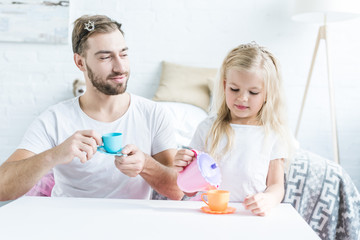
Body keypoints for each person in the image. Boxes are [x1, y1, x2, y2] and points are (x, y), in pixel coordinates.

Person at [0, 14, 183, 201]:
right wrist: (55, 155)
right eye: (105, 57)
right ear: (80, 62)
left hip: (130, 225)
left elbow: (178, 191)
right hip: (68, 224)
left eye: (124, 54)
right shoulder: (54, 119)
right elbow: (2, 187)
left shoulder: (154, 114)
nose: (120, 67)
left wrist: (146, 165)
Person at [174, 42, 297, 216]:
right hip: (208, 215)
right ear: (225, 86)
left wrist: (268, 199)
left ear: (268, 94)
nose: (242, 98)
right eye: (234, 89)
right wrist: (182, 167)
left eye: (253, 92)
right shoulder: (207, 128)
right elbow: (189, 191)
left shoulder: (273, 134)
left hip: (247, 216)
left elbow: (276, 186)